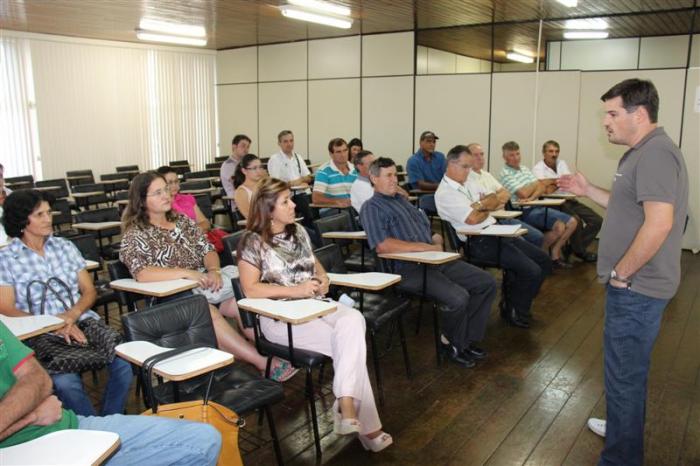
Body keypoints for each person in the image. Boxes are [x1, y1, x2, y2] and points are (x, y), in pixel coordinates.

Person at [559, 78, 688, 466]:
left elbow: (660, 223)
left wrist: (622, 274)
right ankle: (620, 427)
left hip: (637, 287)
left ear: (640, 113)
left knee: (625, 377)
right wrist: (587, 189)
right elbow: (628, 204)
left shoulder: (655, 154)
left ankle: (621, 457)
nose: (606, 122)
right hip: (636, 285)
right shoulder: (639, 152)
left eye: (613, 113)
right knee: (623, 372)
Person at [237, 177, 392, 452]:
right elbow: (250, 290)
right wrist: (297, 290)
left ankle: (346, 405)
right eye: (286, 201)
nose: (294, 204)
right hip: (281, 317)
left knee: (353, 321)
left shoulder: (298, 231)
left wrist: (323, 278)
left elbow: (314, 264)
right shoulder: (252, 241)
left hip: (315, 304)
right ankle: (366, 426)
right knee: (349, 346)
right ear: (268, 208)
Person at [119, 171, 296, 382]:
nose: (166, 195)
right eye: (158, 193)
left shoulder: (181, 221)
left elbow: (208, 250)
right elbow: (142, 273)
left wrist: (214, 271)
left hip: (204, 286)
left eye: (166, 189)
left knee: (240, 302)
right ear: (141, 200)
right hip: (167, 301)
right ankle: (263, 363)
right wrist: (187, 273)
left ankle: (272, 349)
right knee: (205, 311)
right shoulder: (135, 233)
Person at [0, 320, 222, 465]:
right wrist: (31, 415)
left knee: (204, 439)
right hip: (18, 450)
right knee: (67, 383)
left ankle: (104, 421)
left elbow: (37, 376)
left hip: (64, 422)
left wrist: (69, 318)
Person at [0, 190, 132, 417]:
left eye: (49, 212)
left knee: (124, 366)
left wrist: (71, 316)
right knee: (66, 384)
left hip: (81, 321)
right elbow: (6, 308)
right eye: (39, 214)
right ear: (22, 220)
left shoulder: (64, 247)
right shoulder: (6, 259)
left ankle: (110, 420)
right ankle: (92, 429)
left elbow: (88, 291)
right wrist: (52, 325)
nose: (48, 219)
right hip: (39, 334)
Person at [361, 157, 497, 368]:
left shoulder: (402, 200)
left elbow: (426, 229)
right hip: (407, 268)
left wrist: (436, 238)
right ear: (373, 178)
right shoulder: (372, 208)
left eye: (395, 175)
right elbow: (382, 245)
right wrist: (426, 247)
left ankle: (464, 339)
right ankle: (453, 345)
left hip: (434, 259)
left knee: (486, 282)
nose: (394, 180)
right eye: (388, 176)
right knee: (458, 298)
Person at [436, 145, 551, 329]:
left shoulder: (469, 182)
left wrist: (481, 205)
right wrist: (485, 205)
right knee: (531, 270)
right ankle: (515, 310)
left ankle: (513, 303)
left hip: (495, 231)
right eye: (465, 167)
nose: (469, 171)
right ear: (451, 164)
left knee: (543, 261)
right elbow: (472, 219)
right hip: (478, 241)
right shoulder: (444, 193)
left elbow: (496, 198)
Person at [499, 141, 577, 268]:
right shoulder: (505, 173)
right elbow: (523, 193)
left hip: (536, 205)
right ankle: (541, 256)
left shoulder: (524, 168)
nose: (516, 158)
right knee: (560, 227)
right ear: (505, 157)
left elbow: (541, 187)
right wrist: (535, 187)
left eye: (518, 154)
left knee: (572, 222)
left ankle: (552, 253)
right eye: (512, 155)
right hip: (523, 211)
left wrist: (533, 195)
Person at [533, 140, 602, 262]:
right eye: (550, 151)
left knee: (596, 220)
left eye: (556, 151)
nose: (554, 154)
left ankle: (573, 248)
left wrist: (552, 182)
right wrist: (558, 181)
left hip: (569, 199)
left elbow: (569, 182)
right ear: (544, 153)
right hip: (553, 203)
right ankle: (580, 252)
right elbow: (545, 190)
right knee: (577, 221)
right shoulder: (538, 168)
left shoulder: (561, 163)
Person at [466, 143, 545, 247]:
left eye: (482, 154)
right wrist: (495, 201)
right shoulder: (466, 178)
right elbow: (475, 208)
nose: (480, 158)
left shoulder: (486, 175)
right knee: (521, 243)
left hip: (503, 217)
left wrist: (491, 201)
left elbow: (506, 194)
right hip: (488, 221)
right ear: (467, 158)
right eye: (476, 155)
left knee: (537, 236)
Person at [266, 130, 315, 227]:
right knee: (309, 213)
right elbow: (276, 184)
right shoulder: (275, 159)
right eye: (285, 141)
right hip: (290, 196)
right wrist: (292, 184)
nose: (289, 144)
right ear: (279, 143)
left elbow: (309, 177)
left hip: (305, 193)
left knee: (315, 203)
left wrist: (300, 181)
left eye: (291, 141)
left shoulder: (298, 157)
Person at [156, 166, 210, 232]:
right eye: (170, 182)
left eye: (176, 181)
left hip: (198, 237)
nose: (174, 185)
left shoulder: (188, 198)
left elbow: (205, 222)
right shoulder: (160, 205)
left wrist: (193, 232)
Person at [312, 138, 357, 208]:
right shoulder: (323, 171)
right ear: (331, 154)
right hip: (333, 210)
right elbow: (316, 198)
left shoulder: (355, 170)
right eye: (338, 152)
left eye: (345, 150)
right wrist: (337, 201)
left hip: (354, 208)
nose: (343, 155)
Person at [220, 134, 252, 211]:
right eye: (243, 146)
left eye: (248, 147)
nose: (246, 149)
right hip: (238, 202)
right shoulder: (227, 165)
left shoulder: (246, 163)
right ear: (234, 147)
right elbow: (238, 184)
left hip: (250, 198)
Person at [233, 154, 265, 219]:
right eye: (254, 168)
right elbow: (250, 218)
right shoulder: (241, 192)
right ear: (244, 171)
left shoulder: (264, 186)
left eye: (260, 167)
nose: (259, 171)